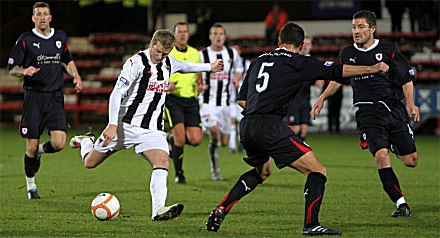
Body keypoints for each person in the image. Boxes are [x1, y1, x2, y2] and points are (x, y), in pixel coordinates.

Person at [205, 22, 389, 235]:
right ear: (301, 45)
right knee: (318, 171)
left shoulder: (258, 61)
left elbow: (242, 100)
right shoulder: (297, 61)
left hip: (247, 125)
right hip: (269, 125)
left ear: (279, 41)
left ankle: (221, 208)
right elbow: (337, 70)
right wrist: (372, 68)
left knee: (263, 171)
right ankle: (311, 225)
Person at [70, 29, 223, 220]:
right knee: (90, 163)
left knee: (162, 162)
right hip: (123, 126)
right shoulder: (136, 63)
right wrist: (111, 124)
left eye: (165, 53)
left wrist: (210, 67)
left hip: (152, 129)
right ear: (151, 44)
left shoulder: (168, 62)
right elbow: (117, 93)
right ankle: (86, 142)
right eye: (158, 51)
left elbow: (185, 66)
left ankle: (158, 209)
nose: (160, 57)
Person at [312, 10, 419, 217]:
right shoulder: (346, 54)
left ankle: (392, 143)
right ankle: (401, 204)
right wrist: (322, 97)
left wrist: (411, 104)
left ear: (372, 29)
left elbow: (406, 78)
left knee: (411, 161)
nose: (356, 31)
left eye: (361, 27)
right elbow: (337, 78)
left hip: (392, 109)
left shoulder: (387, 49)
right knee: (381, 155)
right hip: (367, 113)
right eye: (353, 27)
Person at [7, 2, 83, 200]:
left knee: (59, 144)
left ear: (50, 17)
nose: (42, 17)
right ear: (33, 18)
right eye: (38, 14)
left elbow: (67, 59)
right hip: (34, 97)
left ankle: (39, 152)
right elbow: (12, 67)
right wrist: (24, 71)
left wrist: (76, 75)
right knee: (29, 147)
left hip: (55, 96)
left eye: (45, 14)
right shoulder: (25, 40)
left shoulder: (60, 37)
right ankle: (31, 187)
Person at [199, 24, 244, 180]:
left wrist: (237, 80)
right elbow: (195, 72)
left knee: (223, 142)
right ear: (210, 36)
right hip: (207, 103)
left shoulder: (231, 53)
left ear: (224, 37)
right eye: (215, 34)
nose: (218, 36)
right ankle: (215, 170)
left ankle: (215, 146)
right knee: (215, 134)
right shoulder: (202, 55)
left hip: (225, 103)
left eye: (221, 34)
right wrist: (199, 84)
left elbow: (239, 68)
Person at [165, 22, 204, 184]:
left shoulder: (195, 54)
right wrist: (167, 85)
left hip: (191, 100)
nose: (182, 34)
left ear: (188, 34)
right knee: (181, 138)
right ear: (174, 35)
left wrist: (200, 85)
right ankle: (179, 174)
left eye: (185, 32)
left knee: (196, 140)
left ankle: (171, 140)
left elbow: (199, 75)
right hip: (173, 99)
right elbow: (157, 76)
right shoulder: (168, 53)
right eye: (179, 32)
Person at [285, 35, 323, 141]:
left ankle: (298, 153)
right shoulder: (293, 60)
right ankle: (281, 147)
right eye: (304, 44)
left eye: (308, 44)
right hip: (293, 99)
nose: (306, 46)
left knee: (304, 129)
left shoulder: (313, 61)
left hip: (305, 99)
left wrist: (320, 78)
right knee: (295, 128)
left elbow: (319, 81)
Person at [228, 44, 250, 154]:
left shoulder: (247, 64)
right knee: (232, 121)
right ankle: (232, 146)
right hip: (230, 97)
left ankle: (241, 143)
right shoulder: (227, 63)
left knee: (242, 122)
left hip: (243, 97)